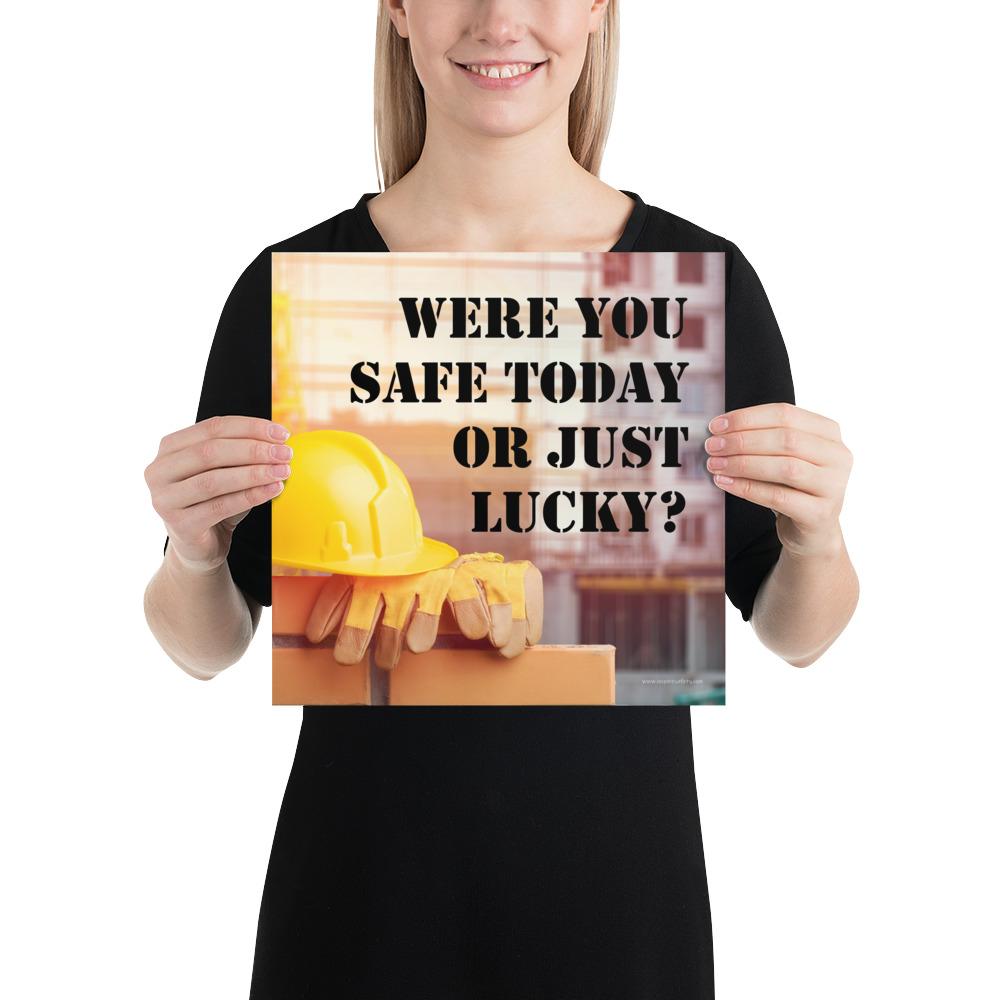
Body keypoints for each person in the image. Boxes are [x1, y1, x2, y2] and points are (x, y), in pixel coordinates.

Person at [143, 1, 859, 996]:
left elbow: (796, 632)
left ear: (601, 9)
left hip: (619, 929)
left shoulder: (697, 284)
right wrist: (193, 552)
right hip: (357, 925)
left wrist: (815, 537)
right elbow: (206, 643)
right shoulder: (293, 289)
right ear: (397, 9)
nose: (500, 18)